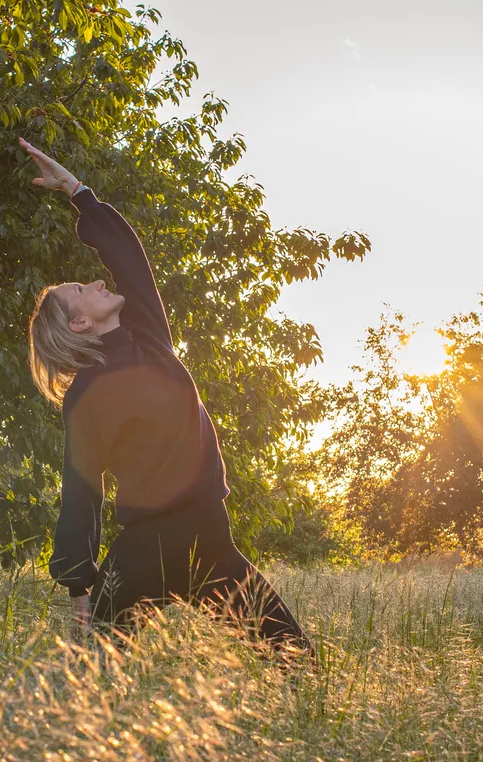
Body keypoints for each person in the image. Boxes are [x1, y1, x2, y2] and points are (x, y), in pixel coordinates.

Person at [20, 138, 312, 662]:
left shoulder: (148, 338)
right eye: (80, 291)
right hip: (143, 553)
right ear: (81, 322)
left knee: (297, 661)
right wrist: (78, 588)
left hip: (209, 540)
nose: (94, 281)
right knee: (96, 680)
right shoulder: (86, 395)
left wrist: (79, 193)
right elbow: (80, 493)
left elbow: (130, 260)